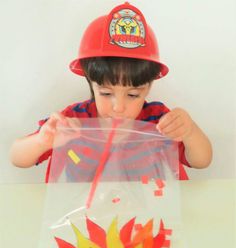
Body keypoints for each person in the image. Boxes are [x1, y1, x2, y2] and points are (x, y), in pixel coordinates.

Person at [10, 2, 212, 182]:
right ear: (91, 83)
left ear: (149, 86)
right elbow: (17, 158)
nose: (118, 107)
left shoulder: (158, 122)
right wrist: (42, 141)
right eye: (106, 93)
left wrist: (189, 130)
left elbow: (201, 161)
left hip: (146, 220)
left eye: (133, 95)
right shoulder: (73, 121)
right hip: (84, 219)